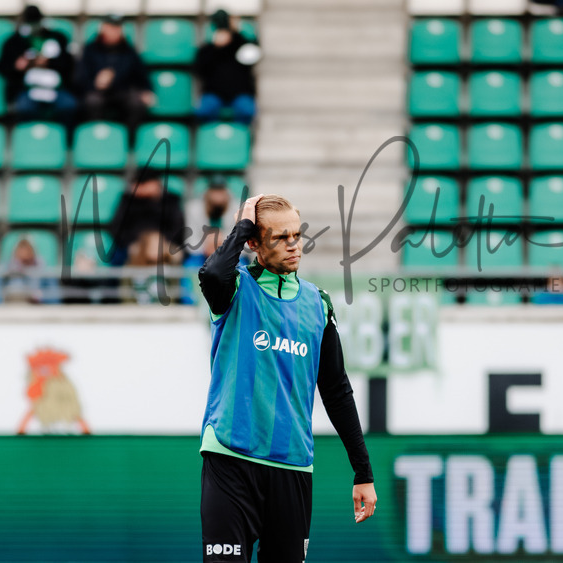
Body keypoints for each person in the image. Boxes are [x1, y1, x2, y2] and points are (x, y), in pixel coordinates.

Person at [198, 194, 376, 562]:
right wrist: (243, 224)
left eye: (297, 234)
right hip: (231, 462)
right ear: (254, 243)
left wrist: (363, 472)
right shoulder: (234, 288)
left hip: (292, 468)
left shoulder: (318, 304)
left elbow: (337, 391)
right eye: (280, 237)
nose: (294, 245)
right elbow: (212, 273)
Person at [0, 5, 77, 126]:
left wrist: (49, 62)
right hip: (27, 89)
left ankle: (65, 141)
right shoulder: (14, 42)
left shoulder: (58, 38)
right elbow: (3, 67)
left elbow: (69, 63)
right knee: (24, 108)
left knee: (69, 106)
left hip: (56, 88)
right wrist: (18, 66)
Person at [77, 14, 156, 129]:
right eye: (111, 27)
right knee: (92, 102)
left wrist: (146, 90)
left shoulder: (129, 51)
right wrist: (96, 83)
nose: (114, 31)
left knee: (136, 104)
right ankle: (97, 135)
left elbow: (141, 74)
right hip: (97, 92)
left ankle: (129, 140)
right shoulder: (90, 49)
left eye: (117, 28)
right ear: (103, 28)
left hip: (123, 91)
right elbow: (80, 79)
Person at [108, 172, 186, 267]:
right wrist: (134, 244)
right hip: (133, 245)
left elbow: (178, 229)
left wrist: (159, 243)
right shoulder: (127, 200)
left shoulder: (171, 200)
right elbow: (116, 228)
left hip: (165, 244)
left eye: (144, 183)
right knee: (117, 255)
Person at [194, 10, 258, 123]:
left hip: (240, 92)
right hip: (214, 93)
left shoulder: (240, 43)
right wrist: (216, 47)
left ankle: (241, 137)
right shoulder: (207, 49)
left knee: (248, 111)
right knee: (202, 112)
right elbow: (199, 69)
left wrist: (237, 32)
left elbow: (253, 54)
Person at [183, 176, 242, 265]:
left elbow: (242, 240)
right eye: (214, 191)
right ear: (208, 192)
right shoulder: (193, 209)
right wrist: (206, 246)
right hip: (201, 254)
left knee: (241, 267)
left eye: (220, 191)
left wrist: (222, 243)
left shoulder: (238, 208)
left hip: (229, 252)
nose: (217, 196)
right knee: (190, 267)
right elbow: (190, 241)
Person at [0, 238, 60, 304]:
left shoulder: (44, 270)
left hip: (36, 309)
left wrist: (39, 296)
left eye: (28, 249)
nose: (25, 253)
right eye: (21, 248)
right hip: (12, 307)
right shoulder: (5, 269)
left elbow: (54, 300)